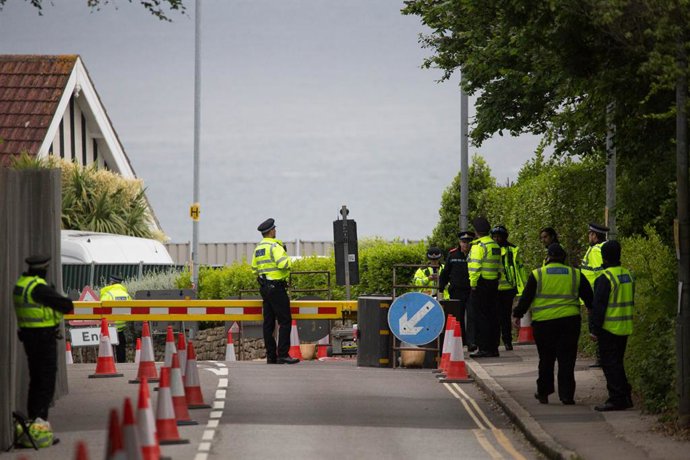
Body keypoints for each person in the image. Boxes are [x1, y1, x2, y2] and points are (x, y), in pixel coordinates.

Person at [512, 244, 593, 405]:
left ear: (547, 258)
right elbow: (589, 298)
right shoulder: (575, 274)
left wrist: (517, 314)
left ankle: (544, 392)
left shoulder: (538, 274)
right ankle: (567, 395)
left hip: (544, 324)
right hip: (569, 322)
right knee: (567, 360)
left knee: (546, 359)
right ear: (564, 258)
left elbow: (526, 298)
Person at [13, 255, 74, 424]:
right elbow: (67, 306)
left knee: (36, 379)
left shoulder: (20, 285)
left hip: (28, 337)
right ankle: (39, 423)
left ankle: (33, 419)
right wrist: (54, 292)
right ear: (43, 269)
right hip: (43, 338)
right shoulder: (38, 288)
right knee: (45, 381)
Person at [590, 240, 634, 411]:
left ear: (604, 257)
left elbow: (599, 306)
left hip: (609, 328)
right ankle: (625, 395)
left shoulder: (605, 278)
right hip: (625, 325)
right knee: (617, 363)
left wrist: (595, 329)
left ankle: (616, 399)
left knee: (610, 364)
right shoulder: (627, 275)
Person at [251, 218, 299, 364]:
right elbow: (283, 264)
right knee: (285, 321)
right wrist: (290, 260)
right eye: (274, 229)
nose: (275, 231)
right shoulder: (275, 246)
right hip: (276, 287)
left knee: (269, 323)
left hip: (264, 288)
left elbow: (254, 269)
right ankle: (283, 354)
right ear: (271, 231)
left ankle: (271, 356)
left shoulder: (258, 249)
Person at [468, 217, 503, 358]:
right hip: (493, 283)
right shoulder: (494, 245)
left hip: (481, 285)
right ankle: (494, 347)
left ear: (476, 231)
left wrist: (473, 284)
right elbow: (500, 265)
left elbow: (475, 266)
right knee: (492, 316)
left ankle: (484, 348)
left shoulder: (479, 246)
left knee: (481, 317)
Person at [491, 225, 528, 351]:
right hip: (493, 288)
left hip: (508, 288)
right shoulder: (490, 249)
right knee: (494, 316)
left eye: (499, 236)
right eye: (494, 236)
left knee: (505, 316)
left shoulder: (512, 249)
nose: (496, 239)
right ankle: (495, 341)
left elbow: (520, 268)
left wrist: (523, 287)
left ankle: (507, 341)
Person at [439, 231, 475, 349]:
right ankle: (460, 342)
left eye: (468, 242)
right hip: (456, 291)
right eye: (464, 242)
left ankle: (471, 342)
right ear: (459, 242)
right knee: (458, 317)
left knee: (471, 316)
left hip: (471, 291)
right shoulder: (453, 255)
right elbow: (445, 273)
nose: (466, 245)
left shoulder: (475, 254)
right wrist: (441, 286)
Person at [581, 222, 609, 368]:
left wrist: (593, 299)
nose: (588, 237)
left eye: (590, 234)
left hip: (594, 295)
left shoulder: (596, 250)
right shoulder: (596, 249)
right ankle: (601, 358)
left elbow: (600, 275)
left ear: (595, 236)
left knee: (597, 329)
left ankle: (601, 359)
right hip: (593, 295)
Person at [99, 274, 131, 363]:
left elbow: (101, 308)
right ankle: (122, 365)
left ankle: (109, 365)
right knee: (121, 348)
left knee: (109, 349)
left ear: (111, 282)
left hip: (110, 327)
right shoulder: (126, 295)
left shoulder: (108, 294)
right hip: (121, 327)